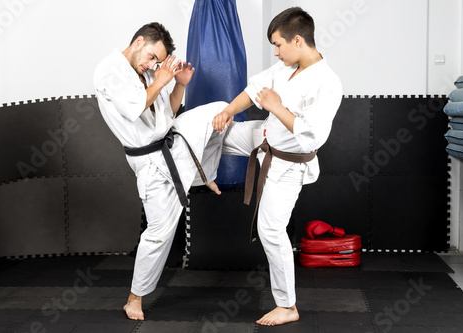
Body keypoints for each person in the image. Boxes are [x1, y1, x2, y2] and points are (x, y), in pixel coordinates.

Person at [212, 7, 342, 326]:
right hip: (264, 138)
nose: (275, 52)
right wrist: (229, 111)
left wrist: (276, 107)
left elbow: (313, 135)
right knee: (211, 125)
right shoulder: (286, 68)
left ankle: (287, 306)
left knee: (270, 230)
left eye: (278, 44)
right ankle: (195, 171)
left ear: (297, 40)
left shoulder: (327, 82)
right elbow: (254, 88)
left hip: (288, 164)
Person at [94, 22, 227, 321]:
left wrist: (179, 83)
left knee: (221, 110)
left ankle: (205, 175)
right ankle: (134, 298)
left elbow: (168, 112)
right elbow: (135, 109)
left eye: (157, 60)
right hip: (149, 162)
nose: (152, 63)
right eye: (152, 56)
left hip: (172, 142)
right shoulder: (109, 70)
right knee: (158, 233)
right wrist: (162, 77)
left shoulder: (148, 72)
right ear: (139, 41)